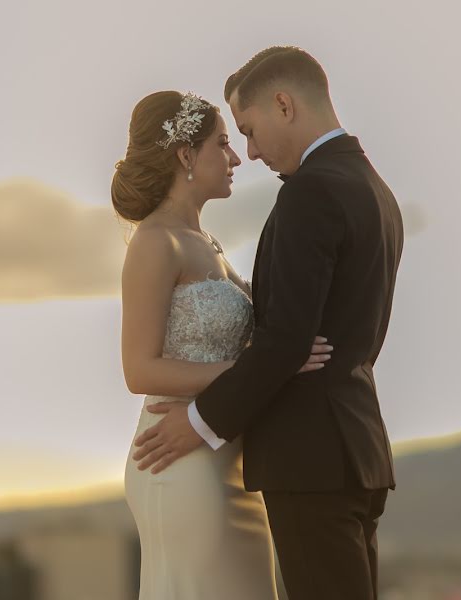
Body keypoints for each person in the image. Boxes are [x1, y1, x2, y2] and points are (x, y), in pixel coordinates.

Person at [132, 46, 404, 599]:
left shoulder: (312, 192)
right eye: (231, 141)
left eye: (247, 132)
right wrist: (267, 363)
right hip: (344, 451)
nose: (248, 154)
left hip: (304, 459)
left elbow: (285, 344)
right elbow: (290, 343)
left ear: (284, 104)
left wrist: (203, 421)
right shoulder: (373, 189)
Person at [114, 89, 332, 599]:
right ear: (186, 156)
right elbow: (139, 370)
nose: (237, 158)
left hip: (228, 458)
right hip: (179, 461)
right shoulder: (154, 242)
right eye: (222, 144)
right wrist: (262, 366)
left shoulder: (206, 243)